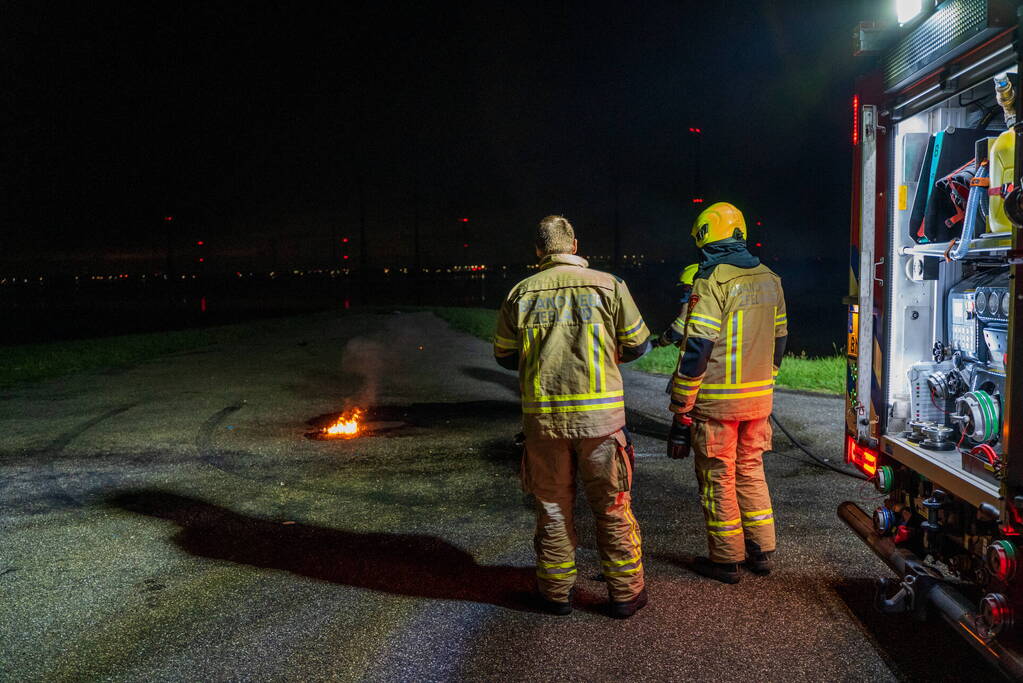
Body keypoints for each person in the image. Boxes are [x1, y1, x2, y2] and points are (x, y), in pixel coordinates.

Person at [494, 215, 652, 618]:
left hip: (544, 423)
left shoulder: (519, 293)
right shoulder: (609, 286)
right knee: (613, 505)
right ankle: (625, 594)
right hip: (601, 424)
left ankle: (555, 593)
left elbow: (504, 355)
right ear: (575, 245)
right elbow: (638, 344)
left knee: (552, 507)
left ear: (538, 250)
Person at [666, 202, 787, 584]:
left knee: (719, 476)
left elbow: (698, 347)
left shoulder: (712, 280)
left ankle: (726, 560)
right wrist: (767, 378)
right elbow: (780, 339)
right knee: (751, 471)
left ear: (705, 236)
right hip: (759, 400)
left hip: (719, 402)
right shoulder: (771, 277)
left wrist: (682, 402)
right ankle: (762, 550)